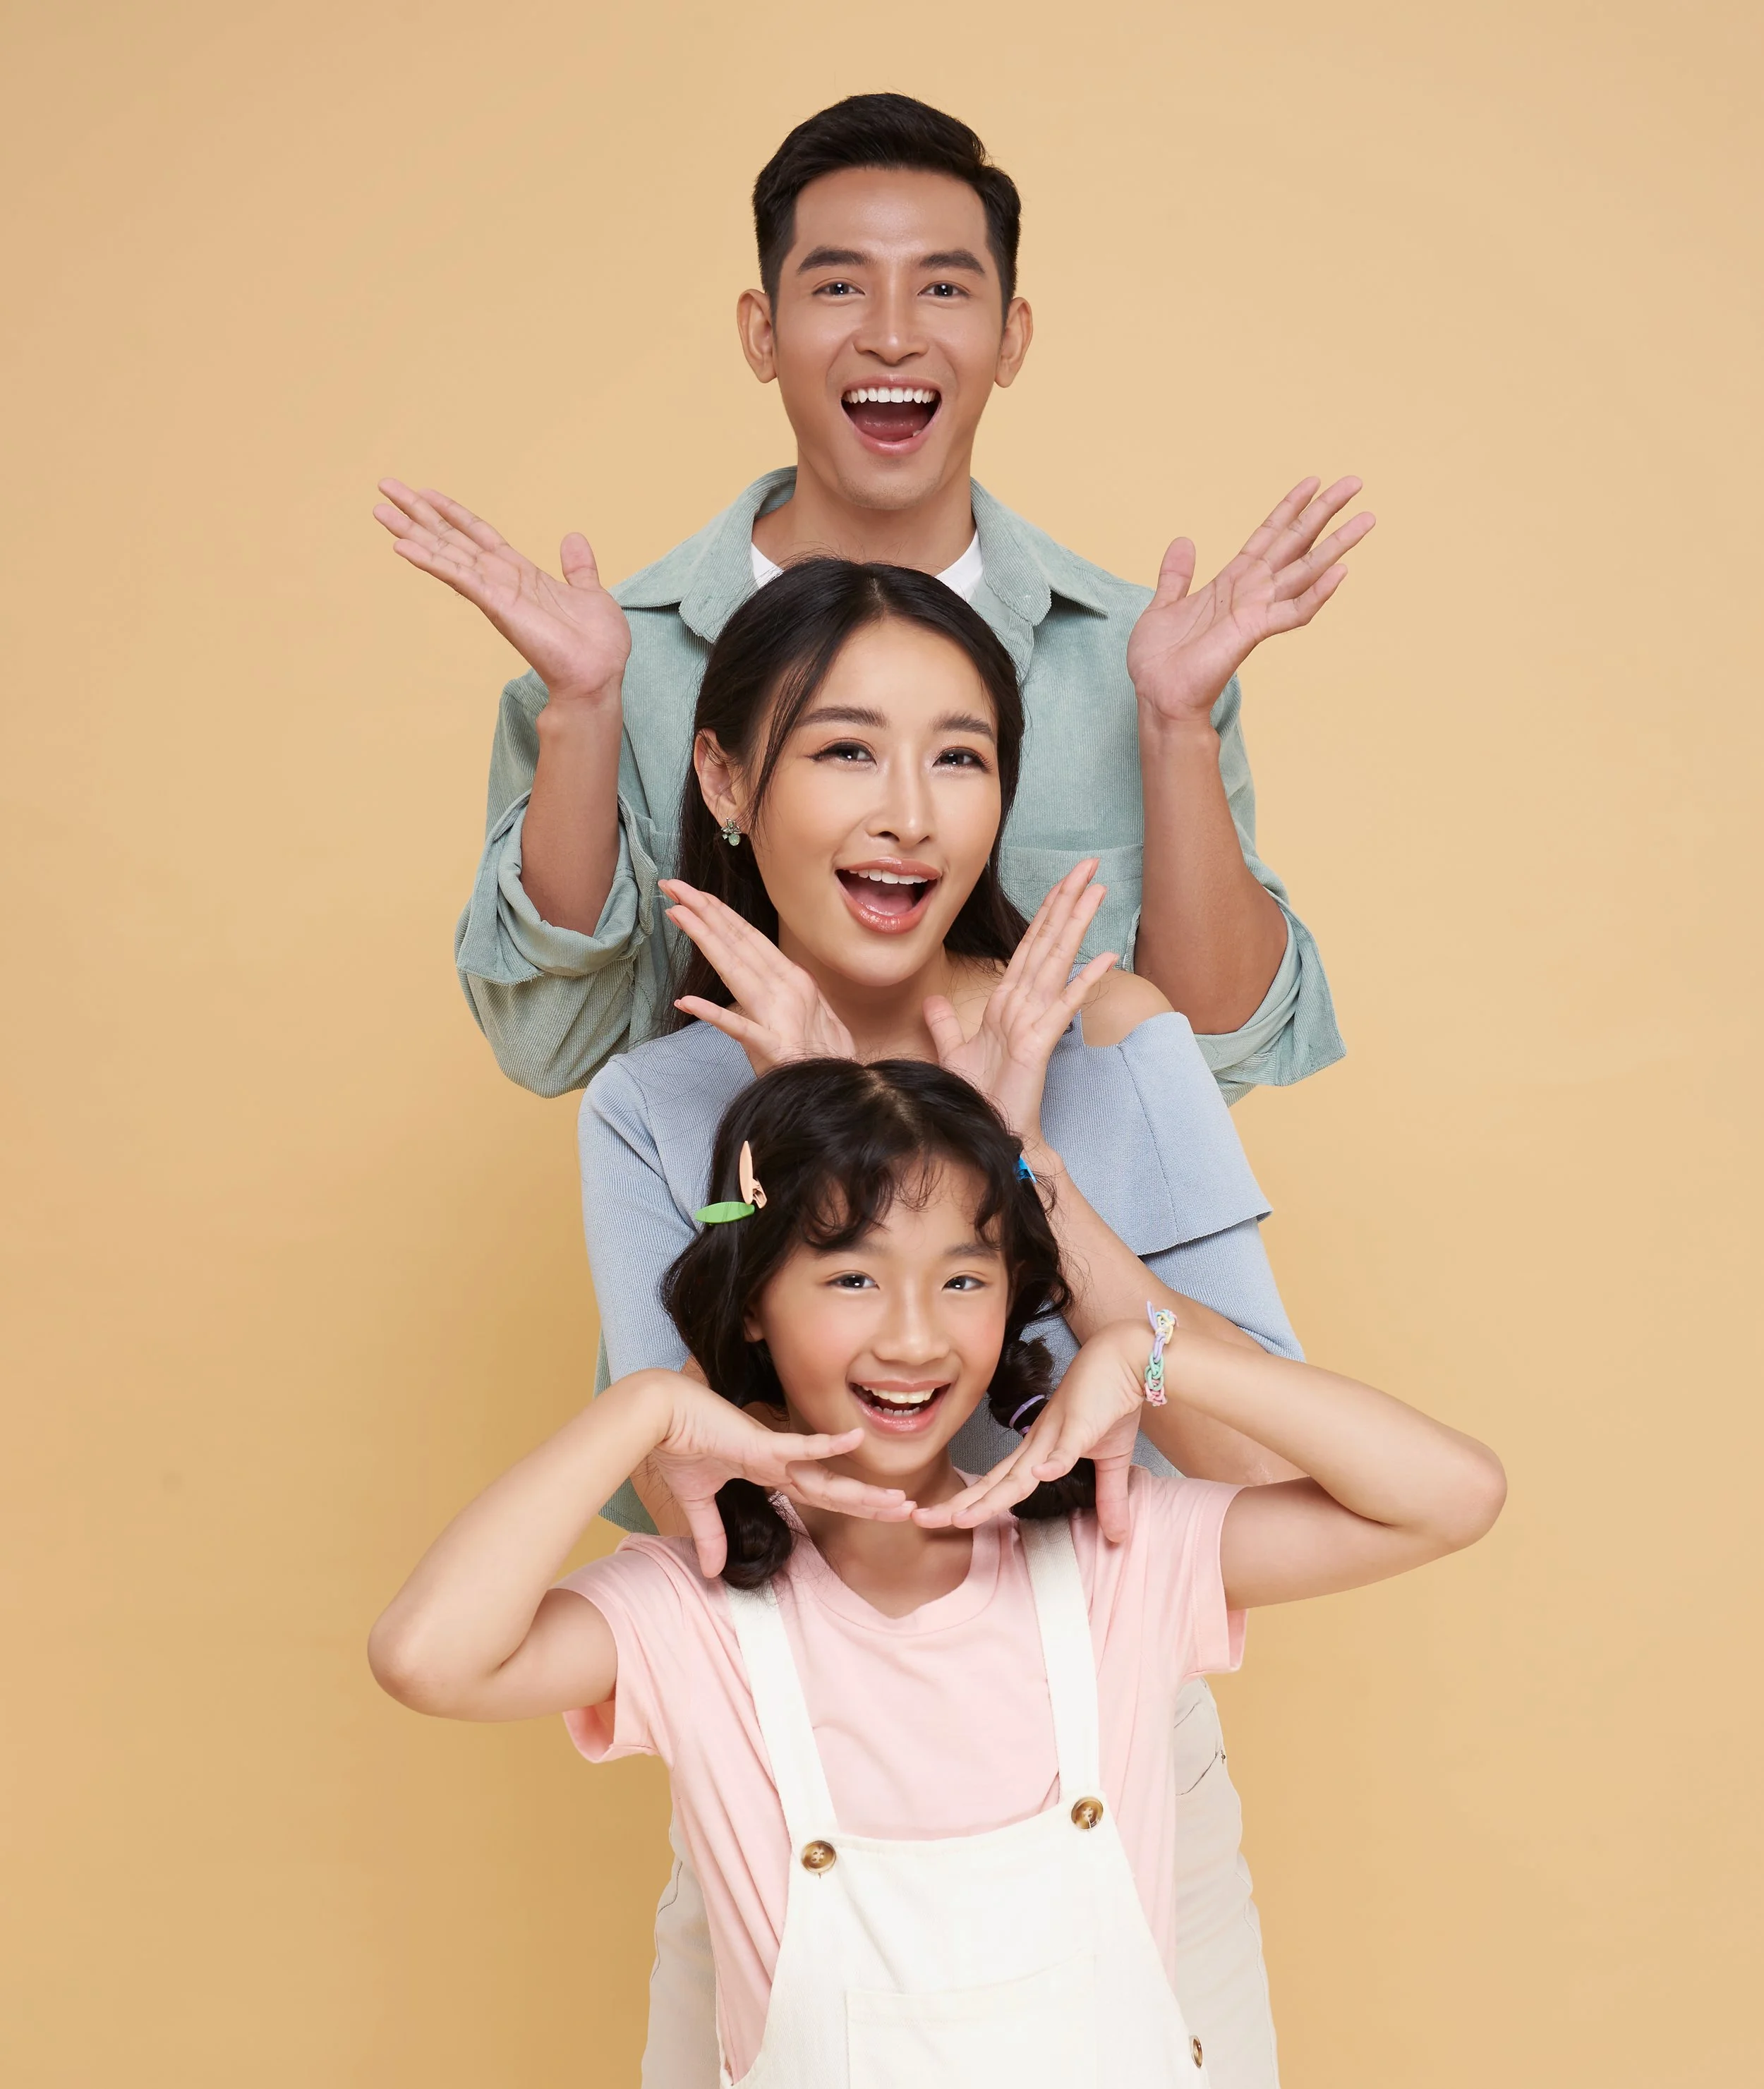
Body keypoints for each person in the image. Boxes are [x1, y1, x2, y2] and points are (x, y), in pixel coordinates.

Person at [368, 1058, 1506, 2089]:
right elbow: (426, 1658)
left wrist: (1145, 1354)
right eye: (853, 1280)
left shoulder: (1118, 1555)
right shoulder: (692, 1611)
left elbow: (1452, 1496)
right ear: (754, 1303)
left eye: (964, 1281)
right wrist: (646, 1408)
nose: (915, 1338)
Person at [574, 557, 1306, 2088]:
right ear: (721, 771)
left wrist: (1011, 1152)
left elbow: (1239, 1451)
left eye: (959, 757)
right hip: (783, 1783)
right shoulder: (655, 1106)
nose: (908, 809)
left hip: (1113, 1782)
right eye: (846, 748)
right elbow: (695, 1499)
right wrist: (825, 1107)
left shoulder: (1107, 1039)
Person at [373, 92, 1372, 1103]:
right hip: (743, 1245)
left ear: (1012, 338)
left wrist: (1174, 723)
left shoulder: (1141, 659)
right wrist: (587, 710)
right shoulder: (603, 658)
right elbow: (551, 1043)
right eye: (840, 285)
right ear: (762, 334)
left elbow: (1211, 1056)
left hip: (1070, 1248)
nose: (893, 336)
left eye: (943, 289)